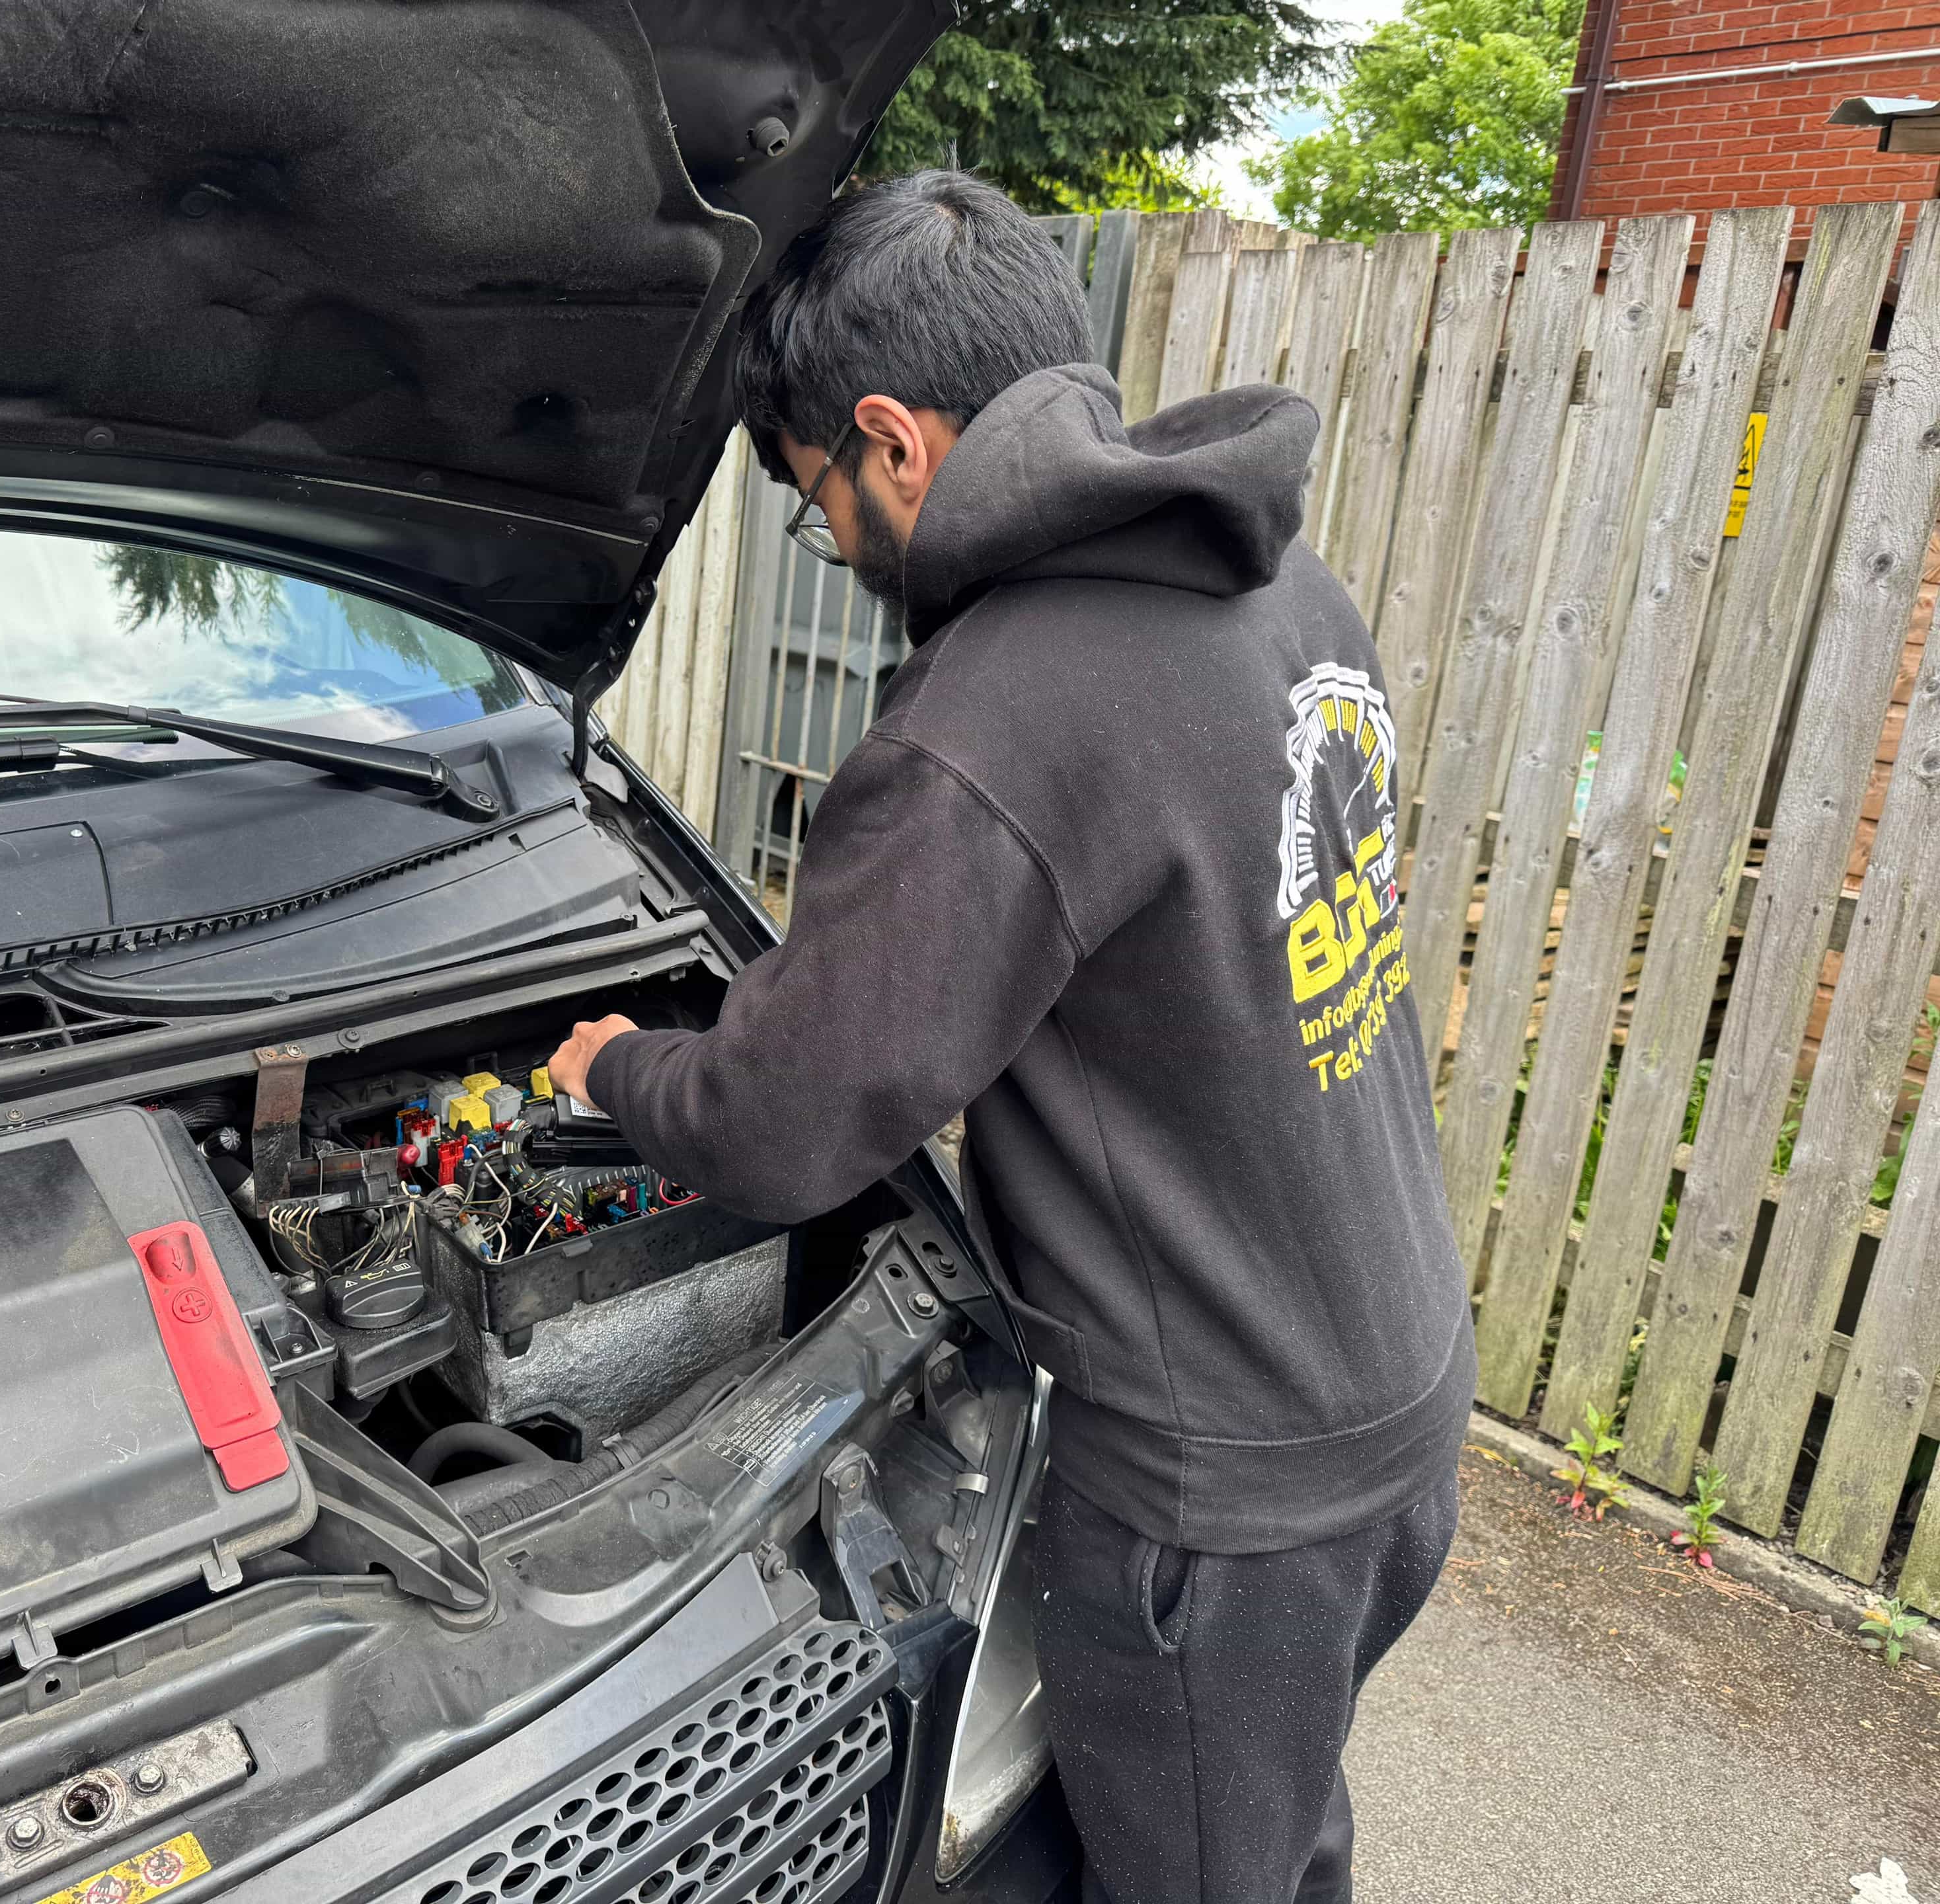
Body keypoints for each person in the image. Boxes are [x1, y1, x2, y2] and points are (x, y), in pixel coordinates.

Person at [542, 171, 1473, 1903]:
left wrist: (611, 1068)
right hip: (1397, 1395)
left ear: (892, 443)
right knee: (1272, 1829)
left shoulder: (987, 730)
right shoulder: (1288, 592)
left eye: (815, 501)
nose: (836, 548)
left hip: (1217, 1513)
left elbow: (779, 1126)